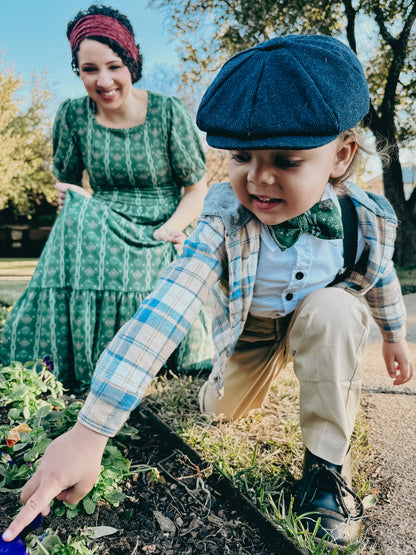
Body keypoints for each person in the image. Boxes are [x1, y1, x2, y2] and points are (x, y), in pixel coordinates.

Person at [3, 35, 414, 548]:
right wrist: (92, 428)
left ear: (340, 156)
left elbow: (381, 275)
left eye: (287, 161)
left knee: (334, 309)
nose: (260, 179)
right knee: (221, 411)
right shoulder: (224, 219)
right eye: (242, 156)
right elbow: (168, 305)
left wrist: (395, 335)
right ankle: (222, 386)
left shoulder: (365, 217)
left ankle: (326, 471)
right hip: (250, 332)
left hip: (317, 318)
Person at [0, 5, 213, 390]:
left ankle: (140, 357)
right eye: (89, 70)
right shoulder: (72, 116)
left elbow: (197, 189)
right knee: (77, 220)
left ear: (132, 62)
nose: (104, 80)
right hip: (101, 221)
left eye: (114, 66)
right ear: (77, 71)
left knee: (109, 231)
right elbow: (65, 188)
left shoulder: (167, 112)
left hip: (160, 224)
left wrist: (170, 231)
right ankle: (71, 360)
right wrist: (75, 200)